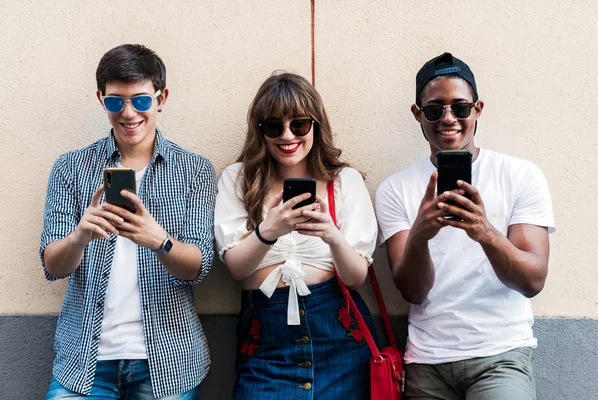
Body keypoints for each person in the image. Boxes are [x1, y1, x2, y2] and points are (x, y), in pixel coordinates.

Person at [40, 44, 216, 399]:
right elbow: (53, 266)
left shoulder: (194, 170)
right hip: (84, 362)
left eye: (141, 100)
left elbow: (199, 266)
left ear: (161, 98)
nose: (129, 113)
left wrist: (160, 241)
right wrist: (80, 237)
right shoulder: (71, 168)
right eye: (115, 102)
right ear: (101, 100)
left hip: (168, 361)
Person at [376, 52, 555, 399]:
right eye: (434, 109)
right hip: (427, 362)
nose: (448, 119)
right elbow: (413, 291)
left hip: (500, 356)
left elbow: (533, 280)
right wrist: (420, 236)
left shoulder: (520, 176)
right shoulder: (394, 189)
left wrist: (484, 232)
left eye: (460, 107)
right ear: (418, 114)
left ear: (478, 109)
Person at [214, 72, 378, 399]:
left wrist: (332, 235)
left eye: (299, 124)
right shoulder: (238, 179)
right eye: (274, 126)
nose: (287, 135)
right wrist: (269, 230)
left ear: (316, 125)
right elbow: (236, 267)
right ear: (260, 131)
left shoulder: (343, 181)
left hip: (338, 335)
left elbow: (357, 277)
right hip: (266, 342)